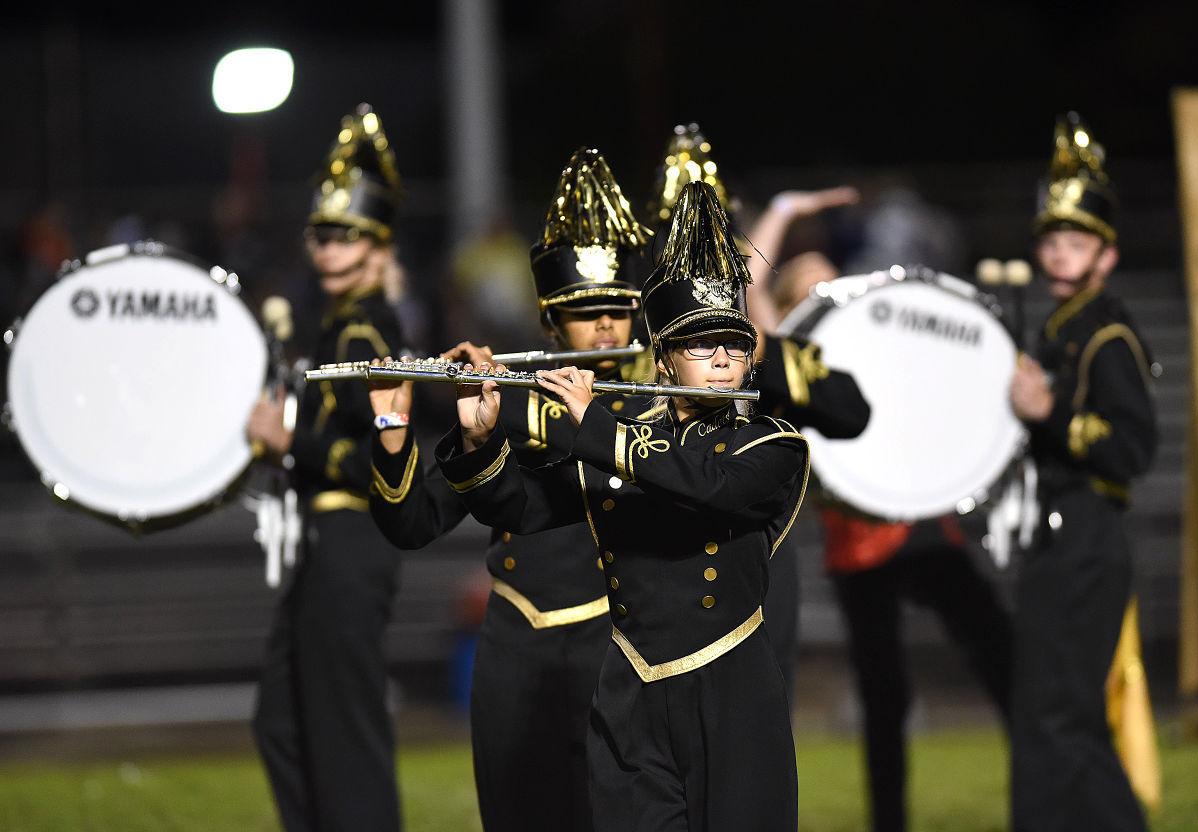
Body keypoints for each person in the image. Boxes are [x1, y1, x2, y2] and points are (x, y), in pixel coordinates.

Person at [438, 181, 810, 831]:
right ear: (664, 360)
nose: (721, 356)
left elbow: (706, 484)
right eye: (698, 343)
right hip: (629, 698)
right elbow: (519, 507)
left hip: (733, 697)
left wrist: (594, 426)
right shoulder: (620, 435)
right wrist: (476, 438)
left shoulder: (773, 445)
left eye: (734, 342)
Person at [369, 147, 655, 831]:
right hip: (517, 647)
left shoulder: (659, 411)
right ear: (552, 323)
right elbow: (412, 524)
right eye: (588, 312)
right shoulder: (514, 406)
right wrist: (391, 417)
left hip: (621, 646)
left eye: (618, 308)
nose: (607, 326)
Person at [746, 184, 1013, 832]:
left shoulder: (871, 343)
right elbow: (748, 302)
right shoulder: (784, 354)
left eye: (831, 281)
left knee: (1005, 660)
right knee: (884, 697)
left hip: (923, 526)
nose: (828, 293)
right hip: (857, 542)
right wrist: (781, 216)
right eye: (809, 286)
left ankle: (1048, 790)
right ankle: (889, 821)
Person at [649, 124, 866, 703]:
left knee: (761, 717)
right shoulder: (632, 344)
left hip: (753, 558)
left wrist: (765, 348)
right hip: (656, 565)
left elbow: (850, 410)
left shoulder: (762, 352)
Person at [246, 104, 408, 832]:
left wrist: (290, 443)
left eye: (345, 236)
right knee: (283, 721)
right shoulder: (335, 324)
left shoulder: (369, 328)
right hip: (324, 544)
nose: (327, 247)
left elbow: (377, 457)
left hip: (353, 543)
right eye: (319, 234)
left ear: (377, 248)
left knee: (344, 733)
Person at [1008, 112, 1157, 832]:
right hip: (1062, 537)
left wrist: (1052, 415)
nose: (1060, 255)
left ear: (1106, 257)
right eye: (1052, 242)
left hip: (1088, 535)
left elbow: (1133, 446)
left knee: (1059, 718)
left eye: (1077, 243)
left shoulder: (1107, 336)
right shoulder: (1062, 331)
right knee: (1047, 715)